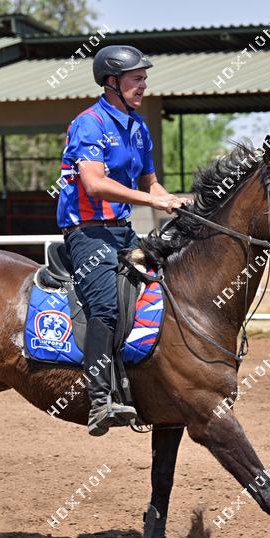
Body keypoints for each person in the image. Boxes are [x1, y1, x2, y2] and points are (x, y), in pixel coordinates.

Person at [56, 45, 192, 436]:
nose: (143, 86)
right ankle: (100, 399)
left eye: (145, 79)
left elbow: (151, 183)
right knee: (106, 306)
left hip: (123, 231)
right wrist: (155, 201)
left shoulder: (139, 127)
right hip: (87, 233)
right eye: (137, 79)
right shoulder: (89, 124)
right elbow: (95, 184)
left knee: (166, 288)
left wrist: (174, 200)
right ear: (112, 82)